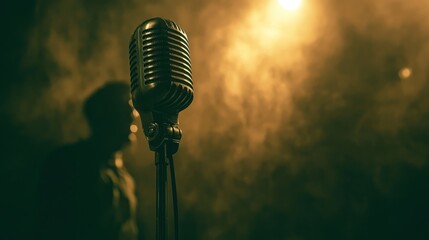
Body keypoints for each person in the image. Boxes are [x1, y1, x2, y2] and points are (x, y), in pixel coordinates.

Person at [38, 81, 138, 240]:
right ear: (104, 116)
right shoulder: (68, 163)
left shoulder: (125, 178)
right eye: (124, 107)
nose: (133, 113)